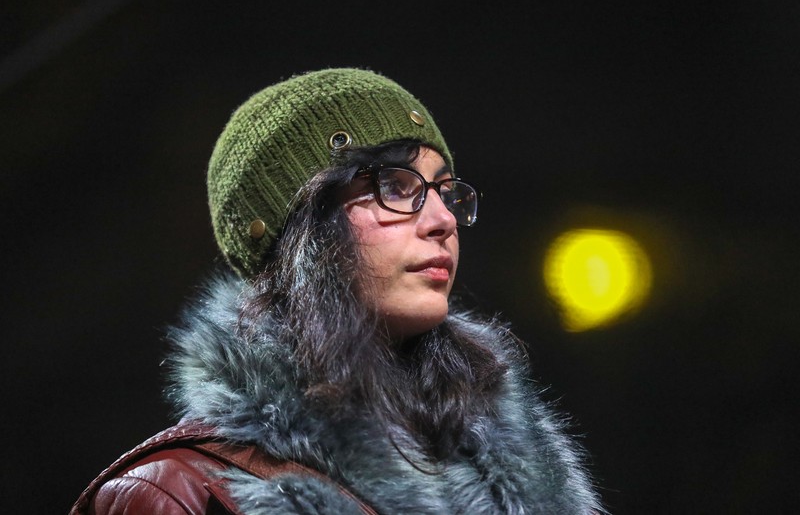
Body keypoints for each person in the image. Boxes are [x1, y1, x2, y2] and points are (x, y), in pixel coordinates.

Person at [71, 68, 603, 514]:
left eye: (445, 191)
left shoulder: (510, 463)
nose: (443, 219)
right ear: (300, 232)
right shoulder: (181, 493)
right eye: (395, 186)